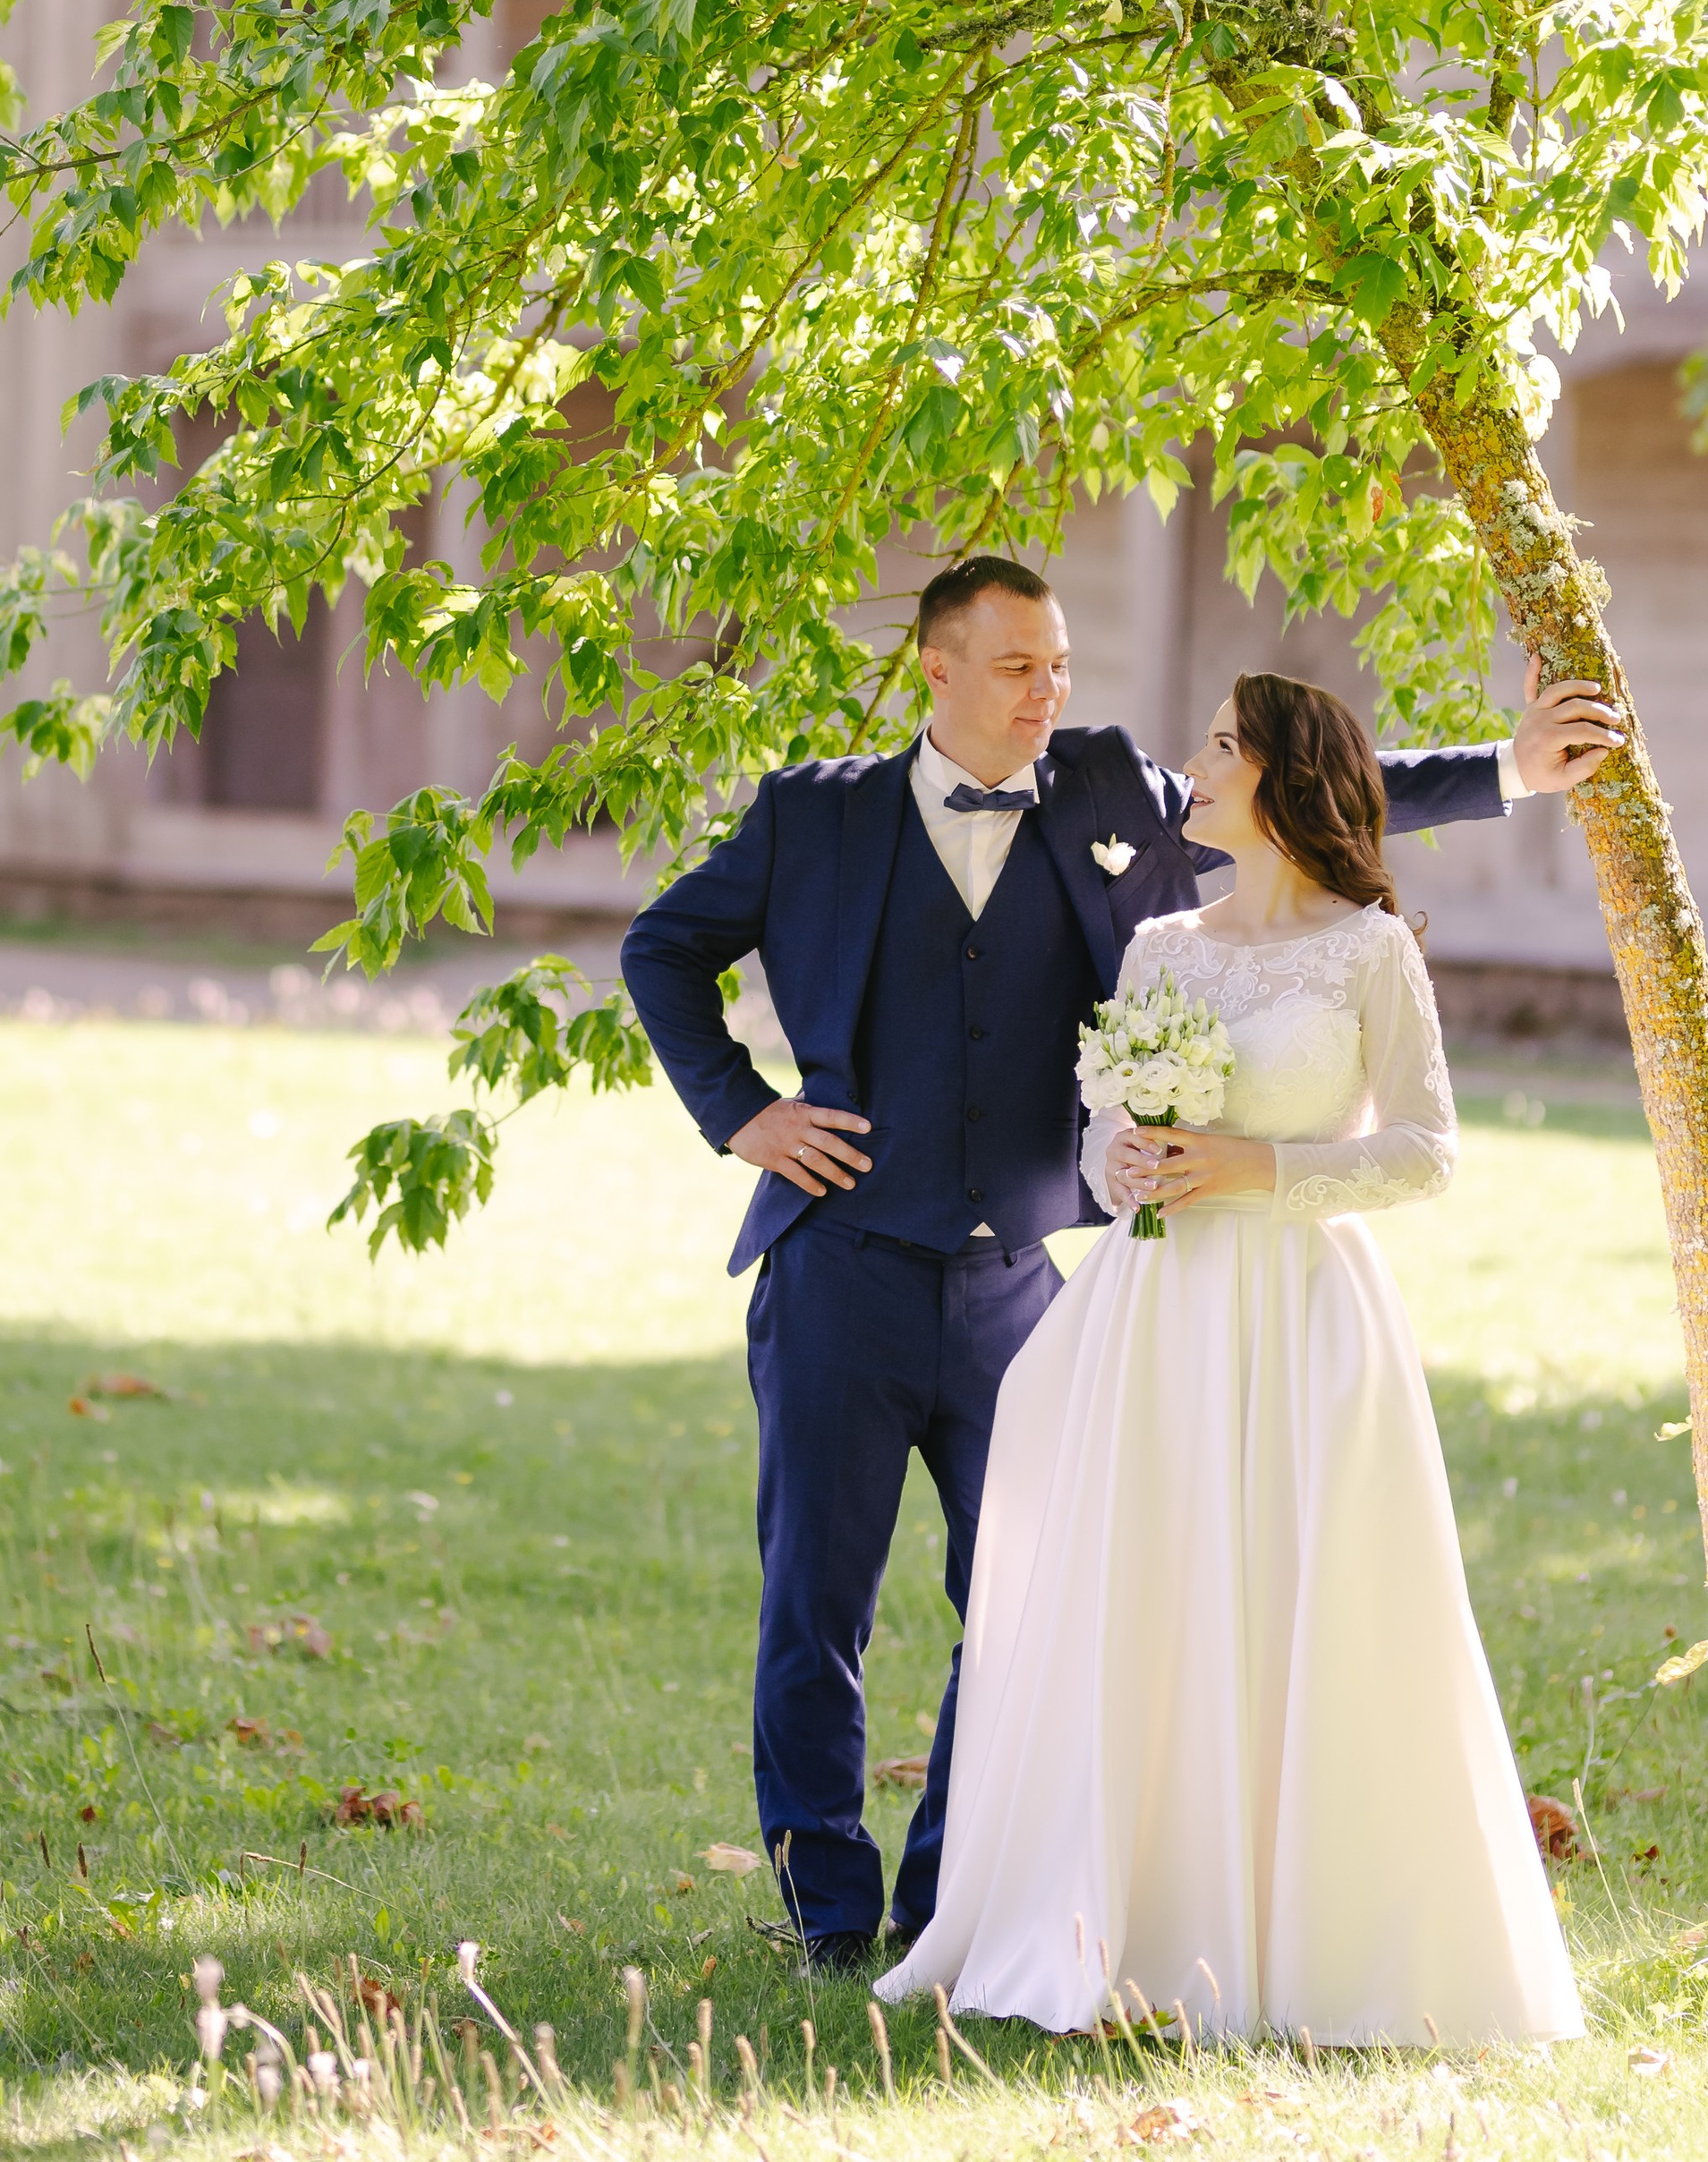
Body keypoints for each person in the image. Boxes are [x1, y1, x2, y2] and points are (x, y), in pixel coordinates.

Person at [620, 558, 1620, 1968]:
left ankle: (949, 1899)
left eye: (1062, 664)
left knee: (1026, 1608)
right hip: (838, 1268)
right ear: (939, 669)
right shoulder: (814, 816)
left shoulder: (1104, 793)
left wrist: (1511, 770)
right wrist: (744, 1115)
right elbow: (661, 949)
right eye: (1020, 665)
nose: (1051, 691)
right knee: (813, 1611)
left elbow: (1318, 785)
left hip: (1021, 1288)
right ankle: (827, 1919)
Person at [875, 670, 1584, 2046]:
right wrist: (1122, 1154)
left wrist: (1254, 1165)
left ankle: (1309, 1935)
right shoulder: (1163, 948)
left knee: (1298, 1596)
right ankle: (1129, 1920)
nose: (1189, 768)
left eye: (1217, 747)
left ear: (1282, 778)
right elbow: (1100, 1128)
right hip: (1159, 1311)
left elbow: (1429, 1150)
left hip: (1304, 1317)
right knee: (1149, 1591)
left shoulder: (1371, 950)